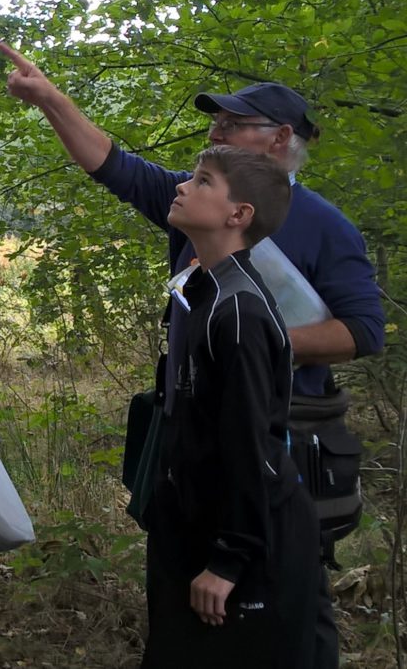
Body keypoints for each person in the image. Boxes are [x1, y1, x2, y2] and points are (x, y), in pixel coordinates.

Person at [0, 42, 386, 667]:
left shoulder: (322, 227)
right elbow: (114, 165)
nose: (216, 131)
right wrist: (49, 99)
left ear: (280, 138)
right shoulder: (197, 202)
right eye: (215, 123)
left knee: (282, 622)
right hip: (192, 451)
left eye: (232, 125)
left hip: (276, 446)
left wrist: (243, 348)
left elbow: (366, 331)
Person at [142, 145, 320, 667]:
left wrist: (229, 559)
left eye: (202, 181)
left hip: (244, 545)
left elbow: (252, 444)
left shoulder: (238, 311)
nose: (181, 186)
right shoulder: (201, 288)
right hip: (192, 526)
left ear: (238, 215)